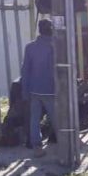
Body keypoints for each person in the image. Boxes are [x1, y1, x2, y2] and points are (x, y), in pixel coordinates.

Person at [21, 19, 57, 158]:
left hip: (33, 89)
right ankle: (65, 141)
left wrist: (25, 91)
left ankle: (36, 146)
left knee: (34, 119)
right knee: (56, 117)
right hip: (50, 89)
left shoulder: (30, 47)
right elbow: (54, 69)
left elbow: (25, 70)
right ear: (51, 30)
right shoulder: (54, 46)